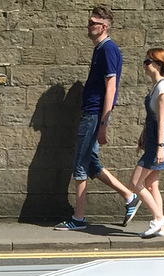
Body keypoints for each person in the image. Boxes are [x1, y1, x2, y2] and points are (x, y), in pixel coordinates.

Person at [54, 7, 140, 231]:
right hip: (91, 114)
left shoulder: (108, 50)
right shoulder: (100, 50)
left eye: (93, 22)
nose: (88, 25)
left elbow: (111, 88)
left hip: (94, 114)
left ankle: (79, 219)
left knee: (79, 166)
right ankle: (129, 197)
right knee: (91, 165)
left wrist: (103, 124)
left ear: (104, 26)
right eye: (89, 21)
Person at [130, 48, 164, 238]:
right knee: (152, 183)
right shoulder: (156, 86)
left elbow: (162, 121)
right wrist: (143, 134)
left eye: (148, 61)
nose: (144, 64)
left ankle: (158, 218)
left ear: (157, 64)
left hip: (159, 141)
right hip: (153, 139)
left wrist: (159, 147)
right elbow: (152, 117)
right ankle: (161, 227)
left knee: (134, 183)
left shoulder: (163, 89)